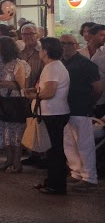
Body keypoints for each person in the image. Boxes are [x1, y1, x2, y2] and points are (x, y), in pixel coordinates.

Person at [24, 38, 71, 195]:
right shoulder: (54, 66)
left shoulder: (52, 67)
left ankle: (56, 184)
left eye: (41, 48)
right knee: (52, 150)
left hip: (53, 113)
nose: (40, 51)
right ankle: (51, 181)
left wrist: (33, 96)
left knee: (54, 151)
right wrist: (36, 91)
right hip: (53, 112)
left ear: (45, 51)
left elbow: (50, 92)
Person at [58, 34, 100, 189]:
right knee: (69, 143)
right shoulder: (59, 63)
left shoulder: (86, 64)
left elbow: (98, 88)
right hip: (64, 109)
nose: (65, 46)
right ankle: (76, 172)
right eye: (62, 43)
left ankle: (89, 177)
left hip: (81, 108)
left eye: (69, 43)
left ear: (76, 45)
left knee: (84, 144)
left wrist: (89, 103)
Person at [0, 36, 30, 173]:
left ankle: (17, 163)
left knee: (16, 134)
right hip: (1, 102)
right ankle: (9, 160)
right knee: (7, 134)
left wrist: (0, 83)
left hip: (15, 103)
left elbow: (20, 85)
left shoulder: (19, 64)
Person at [19, 24, 43, 89]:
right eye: (24, 34)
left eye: (31, 34)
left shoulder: (43, 52)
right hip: (21, 91)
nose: (28, 36)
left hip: (38, 91)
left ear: (37, 35)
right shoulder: (19, 52)